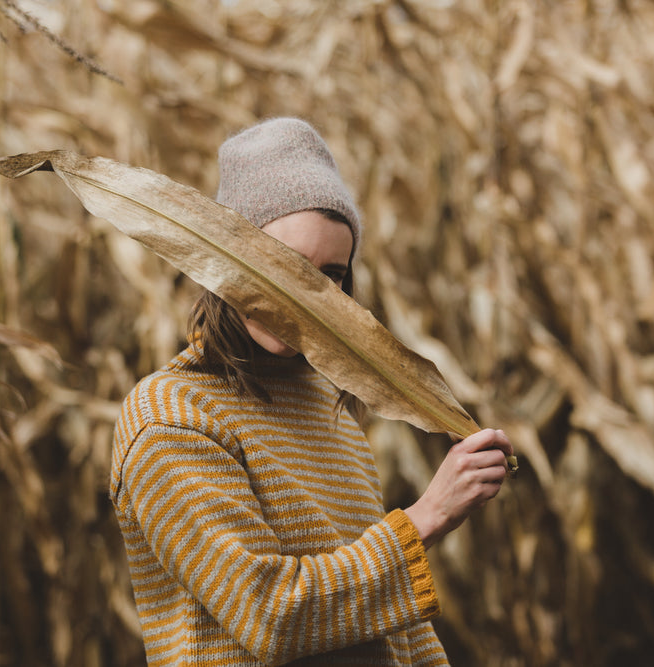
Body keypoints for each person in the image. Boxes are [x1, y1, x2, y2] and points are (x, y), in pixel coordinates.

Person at [109, 117, 514, 666]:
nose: (303, 296)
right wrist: (428, 517)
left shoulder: (331, 413)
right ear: (224, 261)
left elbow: (386, 623)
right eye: (283, 266)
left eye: (329, 276)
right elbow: (270, 615)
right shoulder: (170, 418)